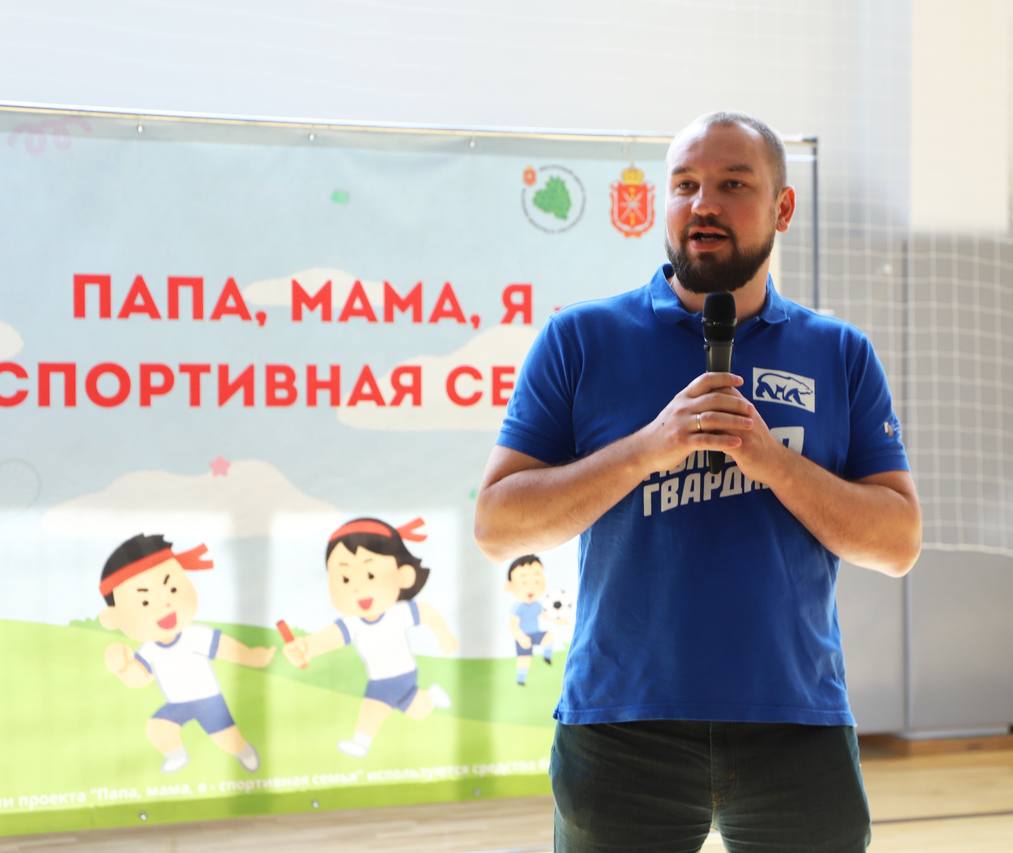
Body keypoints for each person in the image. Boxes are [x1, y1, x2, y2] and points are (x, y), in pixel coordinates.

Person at [474, 111, 921, 852]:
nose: (702, 204)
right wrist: (647, 450)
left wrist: (770, 459)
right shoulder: (580, 339)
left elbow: (898, 542)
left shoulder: (839, 352)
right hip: (621, 725)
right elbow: (496, 527)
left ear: (782, 207)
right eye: (685, 185)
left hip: (796, 723)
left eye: (732, 184)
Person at [280, 516, 458, 758]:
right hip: (381, 677)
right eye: (345, 579)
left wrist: (444, 636)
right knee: (411, 710)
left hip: (400, 675)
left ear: (403, 575)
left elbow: (426, 613)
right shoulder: (353, 623)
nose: (357, 588)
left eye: (371, 575)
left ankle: (362, 742)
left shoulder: (398, 613)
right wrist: (307, 648)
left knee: (377, 709)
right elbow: (331, 637)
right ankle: (430, 697)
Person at [98, 534, 275, 774]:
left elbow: (224, 648)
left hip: (208, 699)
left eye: (172, 589)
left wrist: (251, 656)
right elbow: (140, 677)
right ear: (113, 618)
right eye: (145, 602)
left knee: (226, 739)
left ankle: (244, 751)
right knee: (158, 727)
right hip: (177, 703)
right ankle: (176, 755)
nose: (165, 605)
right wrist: (122, 668)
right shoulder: (150, 649)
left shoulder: (194, 635)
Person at [505, 554, 555, 685]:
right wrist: (520, 637)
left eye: (536, 582)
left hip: (535, 633)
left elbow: (545, 615)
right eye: (524, 583)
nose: (531, 588)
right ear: (510, 585)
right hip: (523, 636)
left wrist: (558, 619)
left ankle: (547, 656)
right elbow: (513, 625)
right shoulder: (518, 607)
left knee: (549, 636)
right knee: (524, 659)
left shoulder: (537, 605)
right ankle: (521, 679)